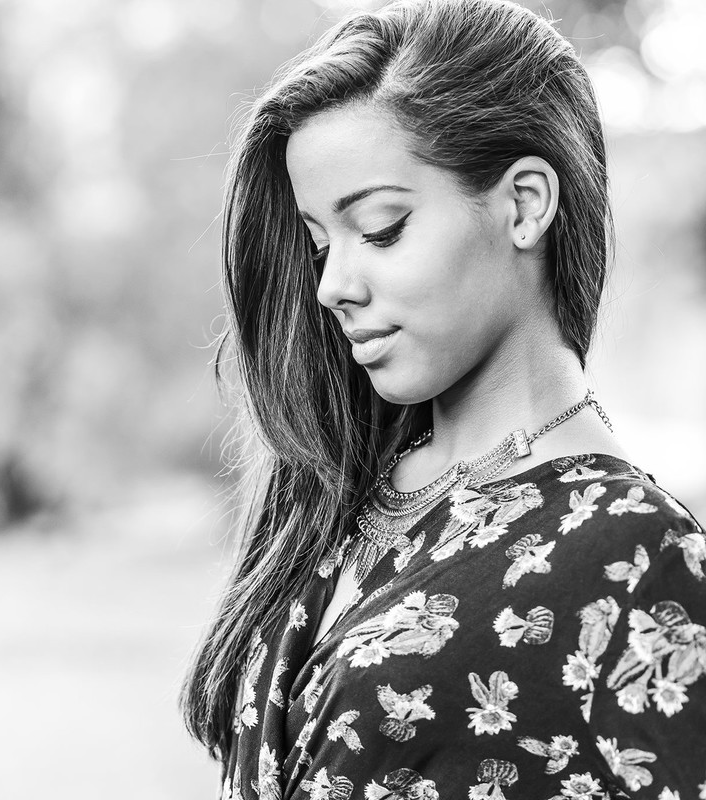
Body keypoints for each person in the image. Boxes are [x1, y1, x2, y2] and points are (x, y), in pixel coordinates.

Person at [177, 1, 706, 798]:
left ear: (524, 204)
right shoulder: (338, 495)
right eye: (320, 243)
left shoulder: (641, 562)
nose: (331, 286)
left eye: (381, 229)